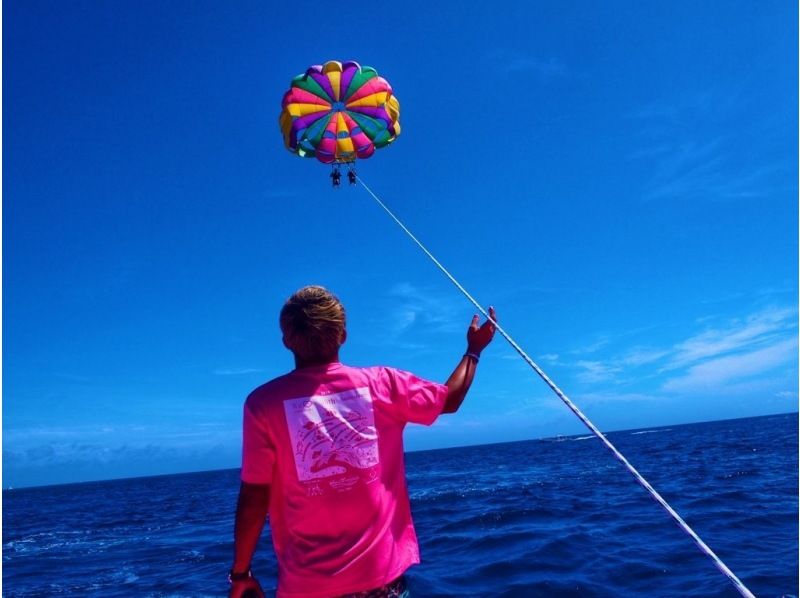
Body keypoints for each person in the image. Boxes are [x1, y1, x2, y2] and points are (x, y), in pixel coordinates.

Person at [229, 286, 497, 598]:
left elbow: (254, 495)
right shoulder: (384, 384)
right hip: (382, 587)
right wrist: (473, 351)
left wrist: (241, 574)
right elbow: (448, 399)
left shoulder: (262, 404)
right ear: (342, 335)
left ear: (286, 340)